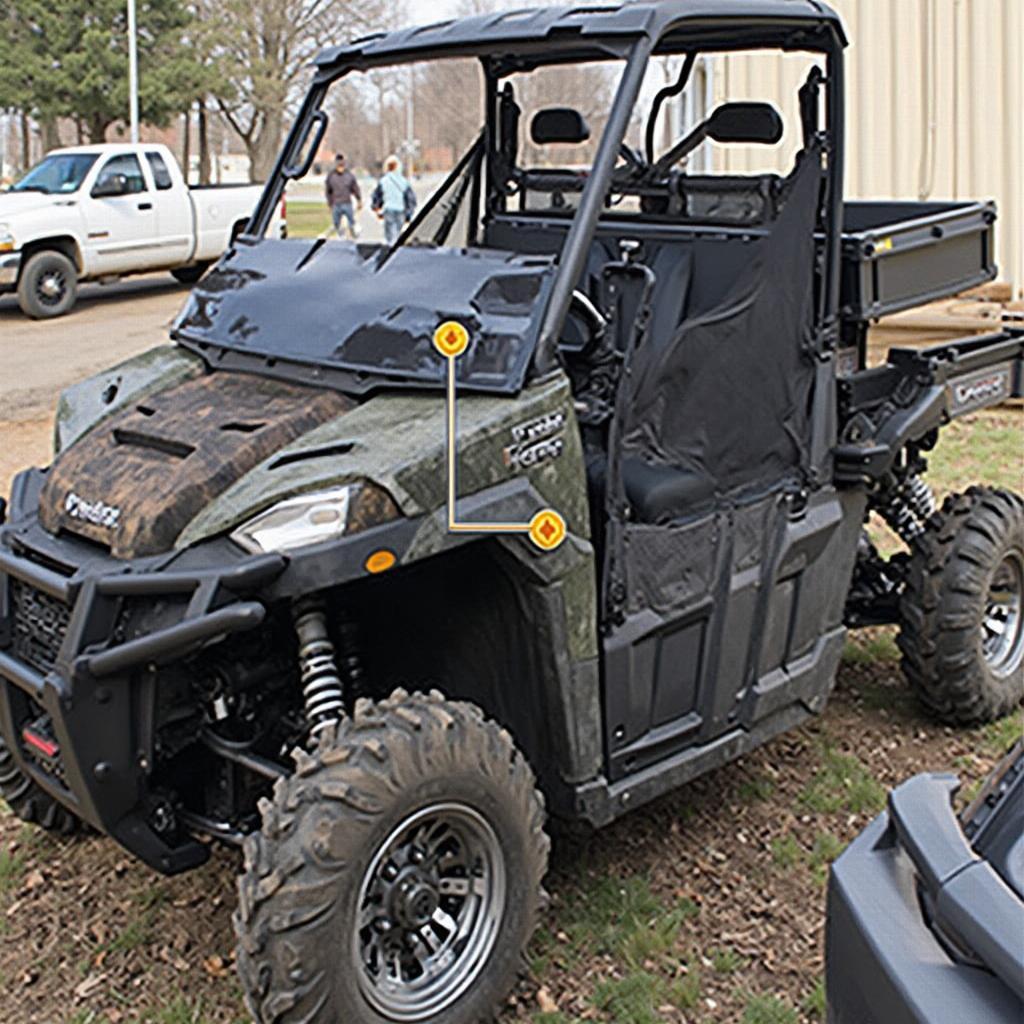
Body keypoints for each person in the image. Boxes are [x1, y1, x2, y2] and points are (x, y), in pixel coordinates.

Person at [371, 155, 417, 245]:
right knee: (398, 234)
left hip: (388, 209)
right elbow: (411, 199)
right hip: (401, 210)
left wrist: (376, 208)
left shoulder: (383, 181)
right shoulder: (404, 182)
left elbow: (376, 196)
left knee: (390, 235)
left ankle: (391, 249)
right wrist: (409, 214)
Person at [325, 154, 362, 239]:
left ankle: (354, 237)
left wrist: (359, 200)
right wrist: (330, 204)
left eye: (342, 165)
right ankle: (341, 237)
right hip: (336, 204)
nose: (340, 167)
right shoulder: (331, 176)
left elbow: (355, 188)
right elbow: (328, 191)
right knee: (336, 224)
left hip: (347, 203)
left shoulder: (349, 175)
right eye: (339, 165)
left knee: (352, 223)